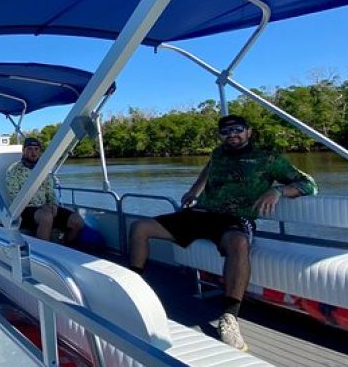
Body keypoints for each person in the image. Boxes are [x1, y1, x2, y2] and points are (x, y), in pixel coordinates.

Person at [128, 114, 317, 351]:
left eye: (237, 129)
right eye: (226, 132)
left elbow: (309, 184)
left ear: (248, 131)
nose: (232, 135)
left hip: (235, 220)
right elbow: (208, 169)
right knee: (139, 227)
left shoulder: (268, 158)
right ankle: (132, 287)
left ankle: (229, 317)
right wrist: (194, 190)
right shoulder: (218, 154)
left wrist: (278, 191)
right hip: (202, 214)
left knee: (239, 243)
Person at [6, 137, 85, 244]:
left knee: (77, 220)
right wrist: (43, 208)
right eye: (29, 149)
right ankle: (43, 254)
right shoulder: (14, 170)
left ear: (40, 151)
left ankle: (66, 246)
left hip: (46, 208)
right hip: (24, 211)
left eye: (36, 149)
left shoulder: (44, 170)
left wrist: (53, 205)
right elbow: (14, 196)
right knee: (46, 217)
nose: (33, 152)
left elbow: (50, 192)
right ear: (23, 151)